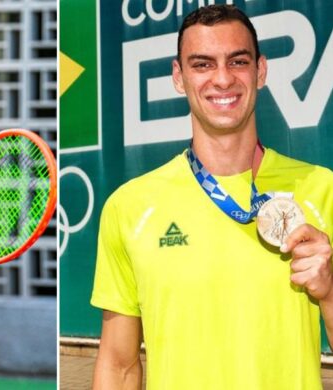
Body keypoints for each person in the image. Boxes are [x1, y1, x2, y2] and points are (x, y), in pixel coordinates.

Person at [91, 5, 333, 390]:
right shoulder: (129, 206)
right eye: (202, 64)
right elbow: (119, 368)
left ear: (261, 71)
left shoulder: (324, 190)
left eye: (237, 61)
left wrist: (330, 293)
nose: (222, 79)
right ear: (178, 76)